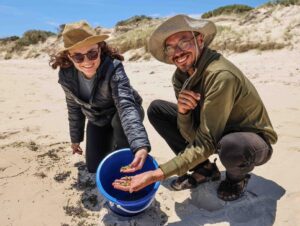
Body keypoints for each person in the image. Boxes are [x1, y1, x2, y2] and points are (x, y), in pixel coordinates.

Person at [112, 15, 277, 201]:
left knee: (233, 146)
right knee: (157, 110)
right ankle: (204, 169)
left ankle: (236, 179)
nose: (178, 52)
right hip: (214, 130)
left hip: (250, 140)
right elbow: (191, 136)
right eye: (170, 47)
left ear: (200, 40)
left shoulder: (220, 75)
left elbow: (206, 142)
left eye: (184, 42)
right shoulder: (180, 77)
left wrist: (156, 174)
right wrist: (183, 113)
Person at [49, 21, 151, 173]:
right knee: (93, 168)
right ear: (69, 57)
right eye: (78, 57)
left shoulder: (113, 67)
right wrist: (75, 139)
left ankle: (124, 148)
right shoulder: (66, 75)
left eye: (92, 53)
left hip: (124, 115)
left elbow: (126, 106)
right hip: (98, 119)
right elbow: (74, 107)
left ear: (100, 49)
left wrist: (140, 144)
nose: (87, 62)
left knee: (122, 137)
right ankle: (113, 142)